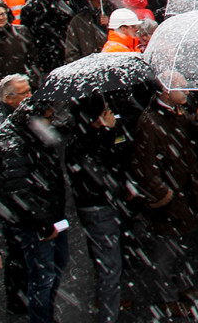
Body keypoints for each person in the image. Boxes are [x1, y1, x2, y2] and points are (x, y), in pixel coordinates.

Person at [132, 79, 198, 319]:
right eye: (182, 87)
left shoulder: (177, 111)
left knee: (182, 246)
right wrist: (164, 195)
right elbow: (144, 168)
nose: (188, 91)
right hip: (172, 197)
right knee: (167, 253)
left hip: (184, 192)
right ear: (166, 92)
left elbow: (193, 132)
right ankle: (168, 299)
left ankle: (184, 287)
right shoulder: (149, 123)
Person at [0, 96, 68, 323]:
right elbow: (21, 193)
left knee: (54, 267)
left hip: (49, 215)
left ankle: (44, 313)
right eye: (47, 117)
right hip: (37, 223)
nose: (51, 121)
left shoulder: (31, 136)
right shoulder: (15, 143)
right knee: (43, 276)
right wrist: (43, 224)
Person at [64, 95, 131, 323]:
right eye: (105, 110)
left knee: (109, 261)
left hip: (106, 204)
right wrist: (109, 133)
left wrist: (113, 133)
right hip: (98, 208)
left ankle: (108, 302)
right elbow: (100, 172)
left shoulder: (93, 136)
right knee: (110, 265)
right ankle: (107, 314)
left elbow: (121, 154)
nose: (110, 112)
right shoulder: (82, 143)